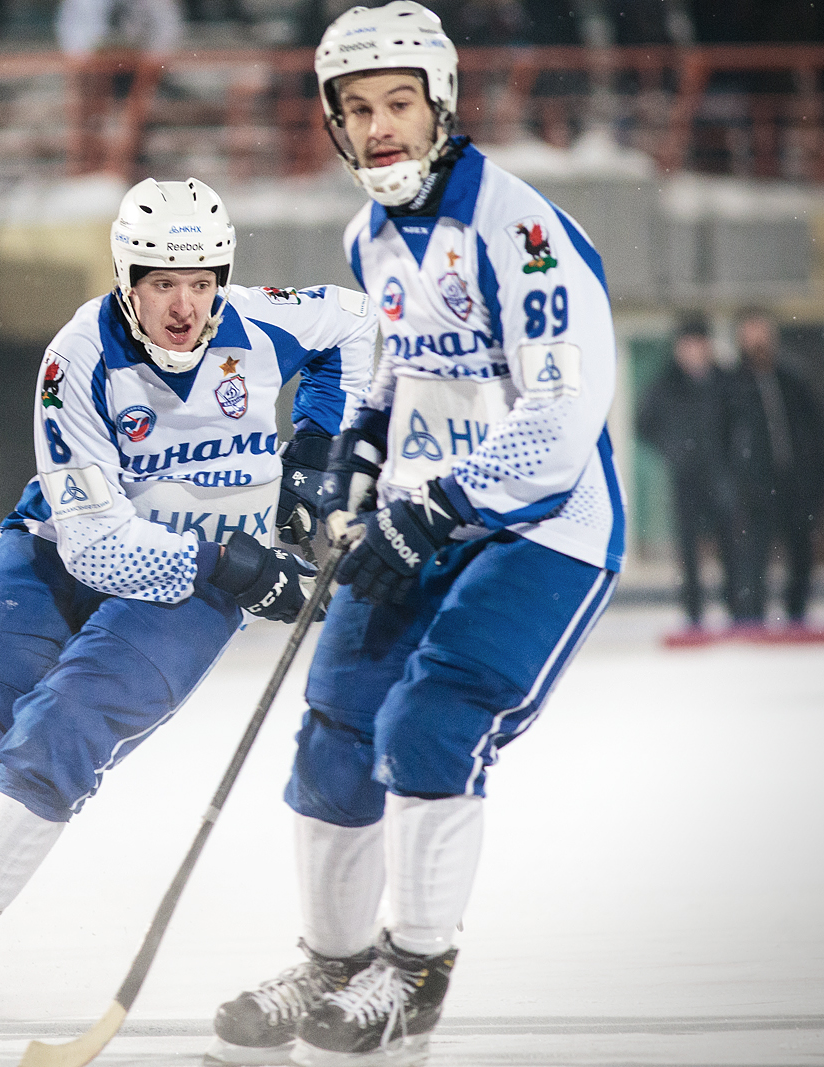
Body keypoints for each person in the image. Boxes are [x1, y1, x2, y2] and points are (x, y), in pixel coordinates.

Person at [0, 177, 375, 1035]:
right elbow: (97, 545)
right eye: (162, 281)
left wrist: (315, 452)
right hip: (70, 547)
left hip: (196, 587)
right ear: (126, 276)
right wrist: (232, 565)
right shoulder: (78, 356)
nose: (184, 305)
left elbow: (359, 327)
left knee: (62, 729)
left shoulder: (264, 318)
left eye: (202, 282)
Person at [207, 5, 624, 1065]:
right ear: (335, 125)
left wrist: (435, 505)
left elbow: (559, 420)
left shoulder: (516, 231)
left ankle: (415, 971)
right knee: (335, 727)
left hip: (542, 527)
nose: (380, 125)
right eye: (358, 109)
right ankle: (334, 963)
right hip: (422, 514)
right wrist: (350, 455)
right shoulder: (372, 233)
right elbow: (399, 367)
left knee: (431, 718)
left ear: (439, 106)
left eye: (399, 103)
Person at [726, 309, 824, 626]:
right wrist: (730, 485)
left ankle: (796, 615)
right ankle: (751, 620)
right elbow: (718, 440)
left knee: (800, 555)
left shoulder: (793, 379)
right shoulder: (731, 385)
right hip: (753, 488)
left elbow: (816, 434)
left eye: (762, 332)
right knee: (752, 558)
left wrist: (822, 481)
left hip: (795, 484)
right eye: (750, 332)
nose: (757, 340)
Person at [635, 315, 738, 630]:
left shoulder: (724, 382)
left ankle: (738, 609)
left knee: (731, 544)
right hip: (685, 479)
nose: (691, 351)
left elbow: (740, 424)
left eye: (697, 344)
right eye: (686, 345)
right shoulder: (665, 384)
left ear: (707, 346)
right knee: (689, 548)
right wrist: (673, 450)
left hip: (721, 476)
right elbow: (644, 424)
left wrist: (730, 456)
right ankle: (693, 614)